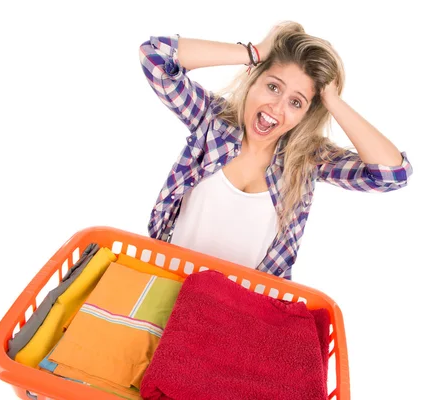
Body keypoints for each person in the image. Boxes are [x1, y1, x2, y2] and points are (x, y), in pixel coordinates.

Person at [138, 21, 413, 280]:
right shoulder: (212, 121)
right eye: (273, 87)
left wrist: (331, 99)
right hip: (168, 281)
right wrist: (254, 51)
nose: (277, 108)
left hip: (241, 310)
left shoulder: (307, 160)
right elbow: (155, 57)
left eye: (296, 102)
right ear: (252, 77)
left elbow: (392, 175)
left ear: (307, 113)